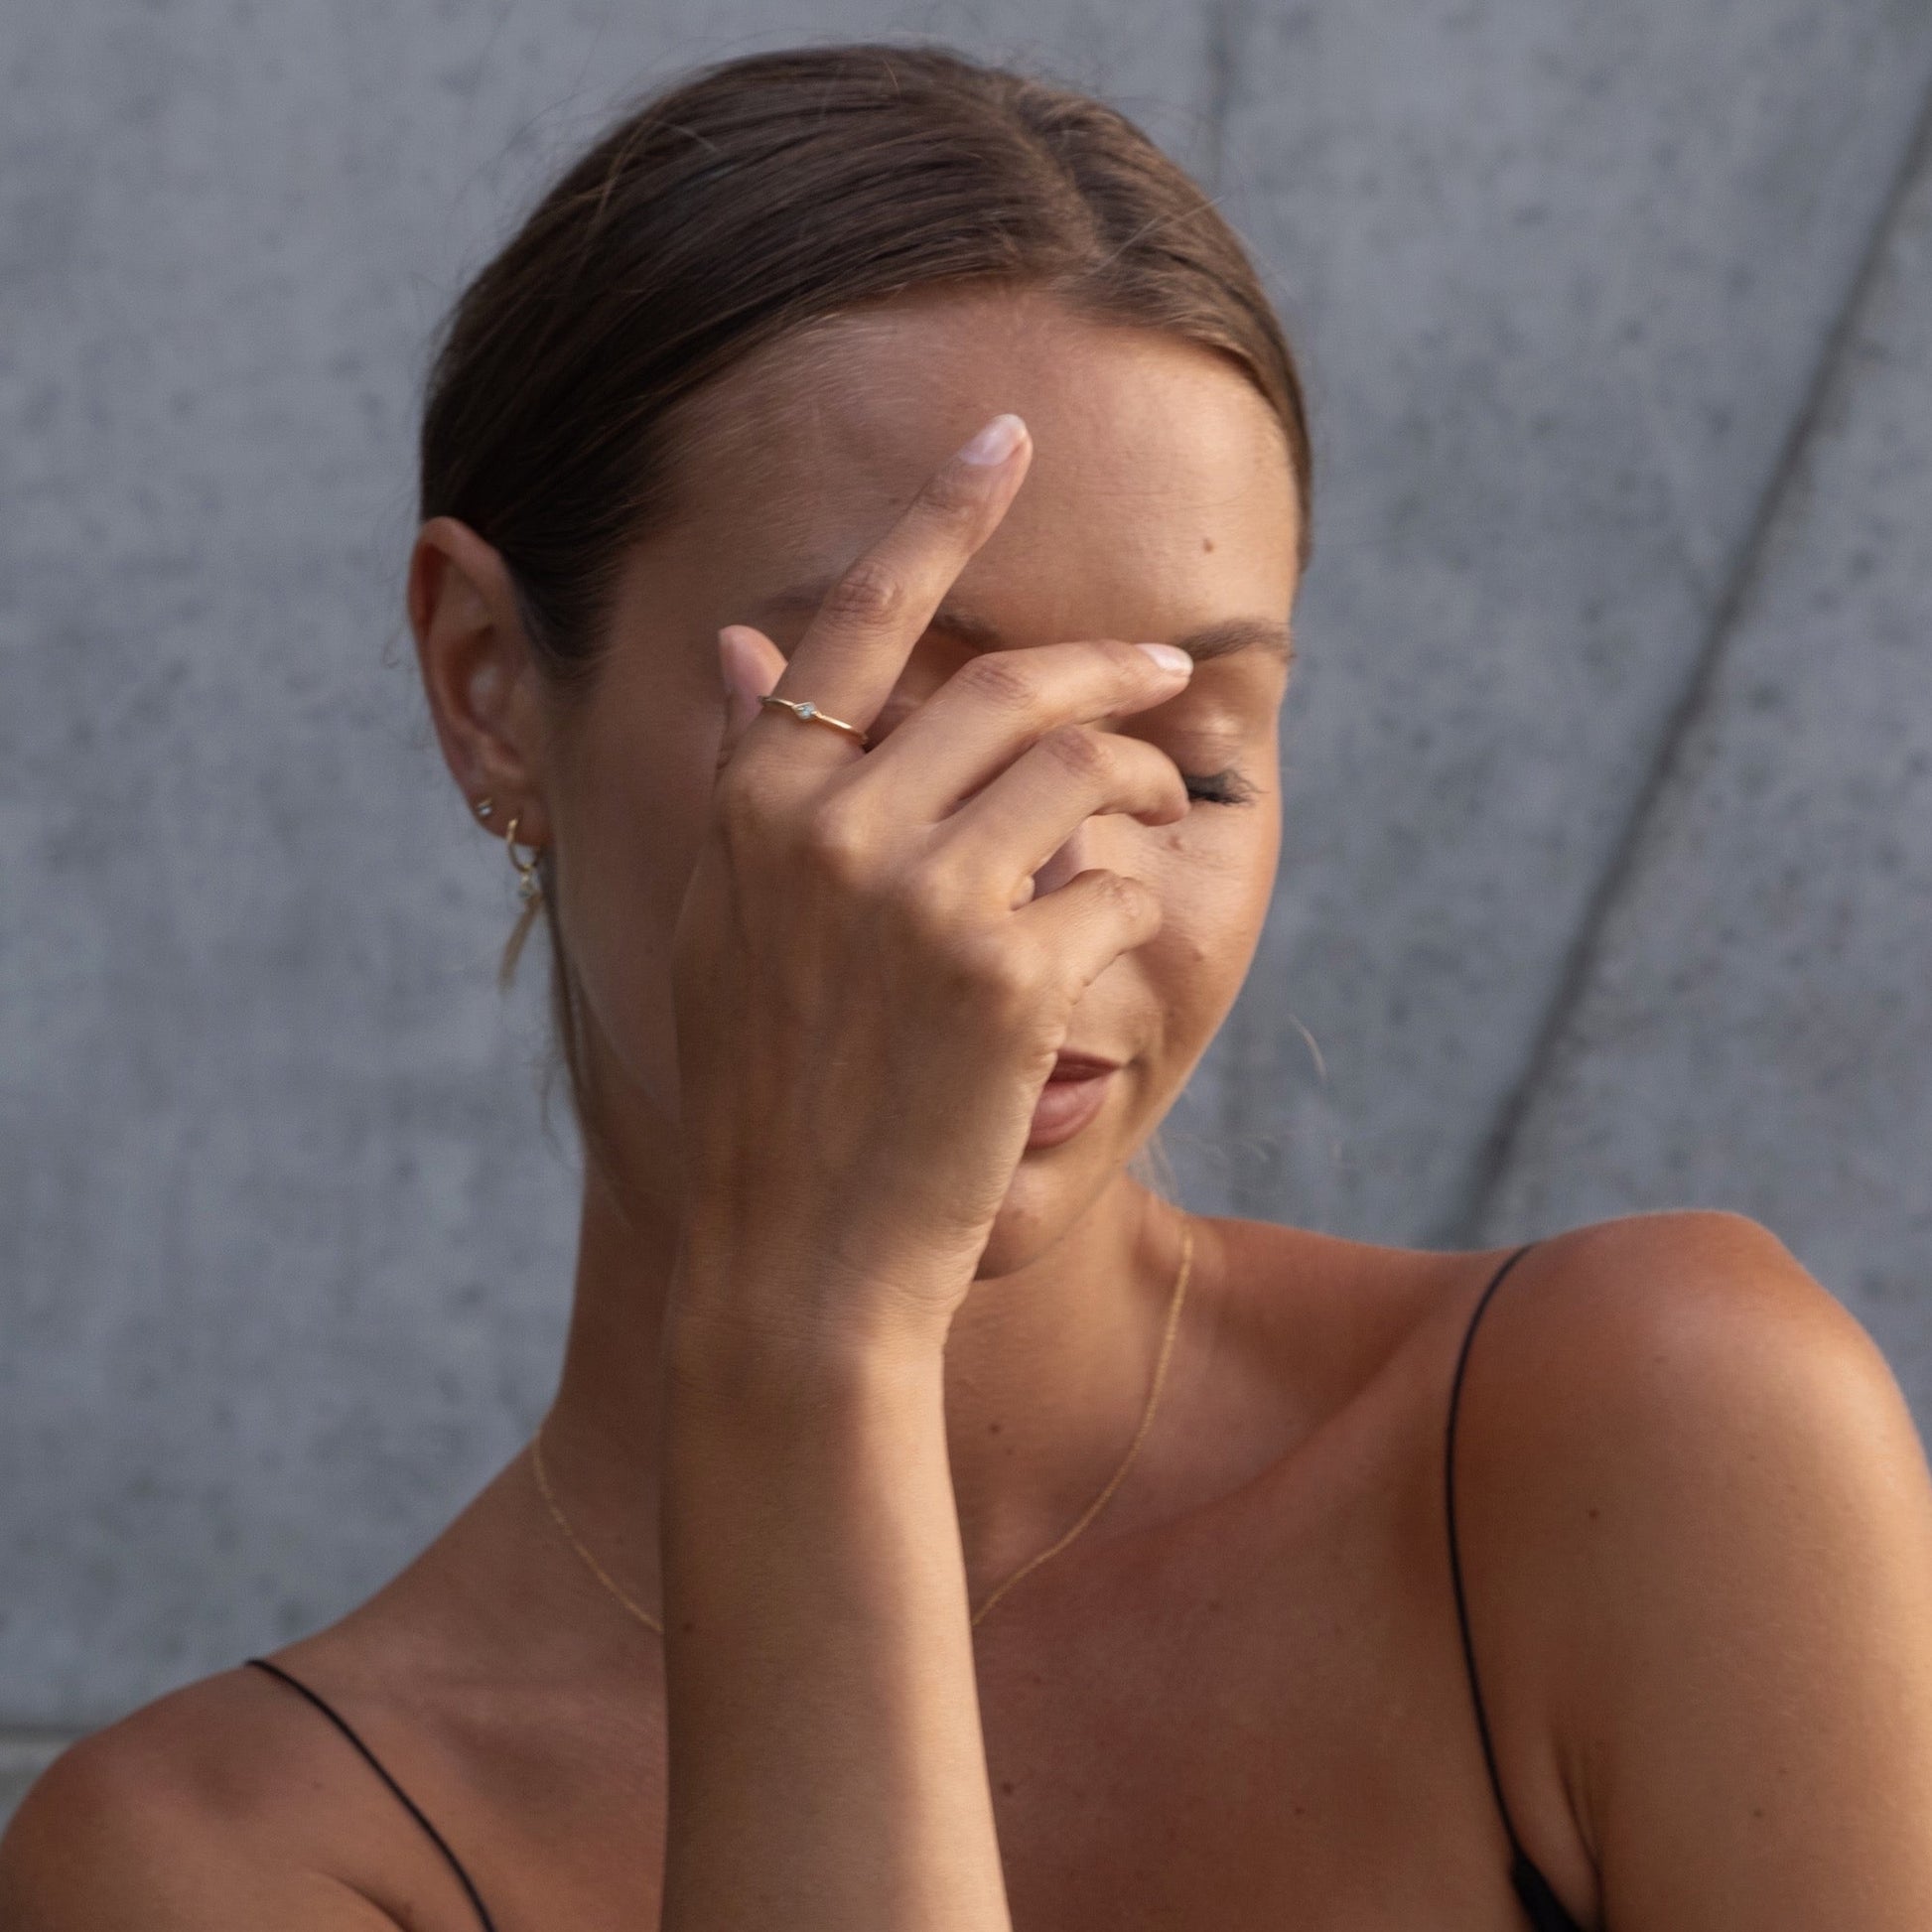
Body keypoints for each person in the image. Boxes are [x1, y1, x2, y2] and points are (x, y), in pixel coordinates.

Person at [6, 41, 1932, 1932]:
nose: (1065, 890)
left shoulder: (1640, 1446)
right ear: (492, 682)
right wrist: (812, 1349)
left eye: (1193, 762)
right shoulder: (231, 1859)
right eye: (912, 724)